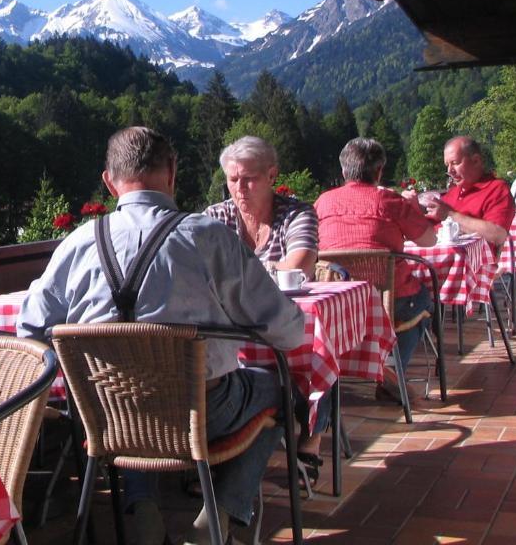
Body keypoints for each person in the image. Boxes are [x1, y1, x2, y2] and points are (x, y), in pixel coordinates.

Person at [17, 126, 304, 545]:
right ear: (172, 171)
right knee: (281, 388)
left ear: (109, 181)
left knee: (130, 394)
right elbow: (288, 332)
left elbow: (29, 334)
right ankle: (222, 511)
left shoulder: (76, 244)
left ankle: (142, 510)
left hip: (107, 416)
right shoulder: (208, 237)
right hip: (203, 413)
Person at [314, 138, 437, 401]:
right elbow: (429, 240)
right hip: (386, 301)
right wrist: (414, 209)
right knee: (424, 300)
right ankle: (392, 369)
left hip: (338, 303)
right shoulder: (389, 201)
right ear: (379, 171)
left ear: (344, 171)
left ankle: (368, 368)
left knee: (407, 302)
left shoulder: (322, 202)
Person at [205, 136, 318, 278]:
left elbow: (299, 268)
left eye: (248, 179)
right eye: (233, 179)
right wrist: (272, 268)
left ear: (271, 176)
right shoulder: (216, 217)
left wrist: (230, 273)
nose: (240, 187)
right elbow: (191, 266)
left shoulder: (296, 214)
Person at [425, 136, 516, 247]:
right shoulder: (452, 193)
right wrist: (412, 209)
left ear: (476, 161)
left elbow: (498, 235)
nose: (449, 171)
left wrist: (450, 214)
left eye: (455, 163)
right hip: (436, 259)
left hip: (471, 263)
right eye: (447, 165)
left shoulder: (496, 189)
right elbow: (426, 229)